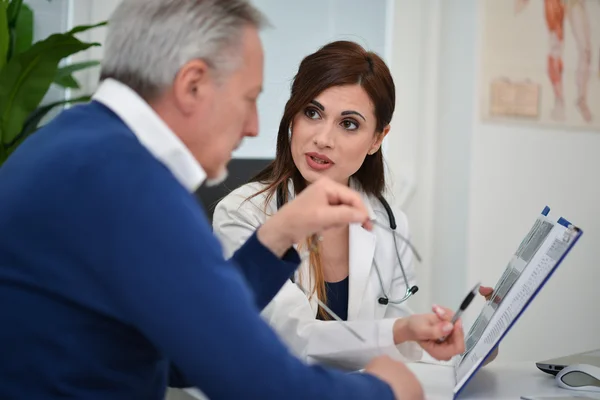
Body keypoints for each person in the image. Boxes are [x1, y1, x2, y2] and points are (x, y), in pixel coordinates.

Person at [0, 1, 455, 399]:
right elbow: (259, 384)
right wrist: (385, 391)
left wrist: (273, 238)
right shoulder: (132, 186)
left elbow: (182, 349)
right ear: (193, 84)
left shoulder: (71, 142)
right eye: (249, 98)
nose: (256, 126)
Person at [213, 40, 482, 371]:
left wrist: (462, 345)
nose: (323, 138)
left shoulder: (390, 223)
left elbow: (391, 338)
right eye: (312, 113)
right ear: (292, 116)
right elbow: (293, 339)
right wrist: (401, 332)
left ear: (377, 139)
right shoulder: (242, 213)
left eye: (349, 123)